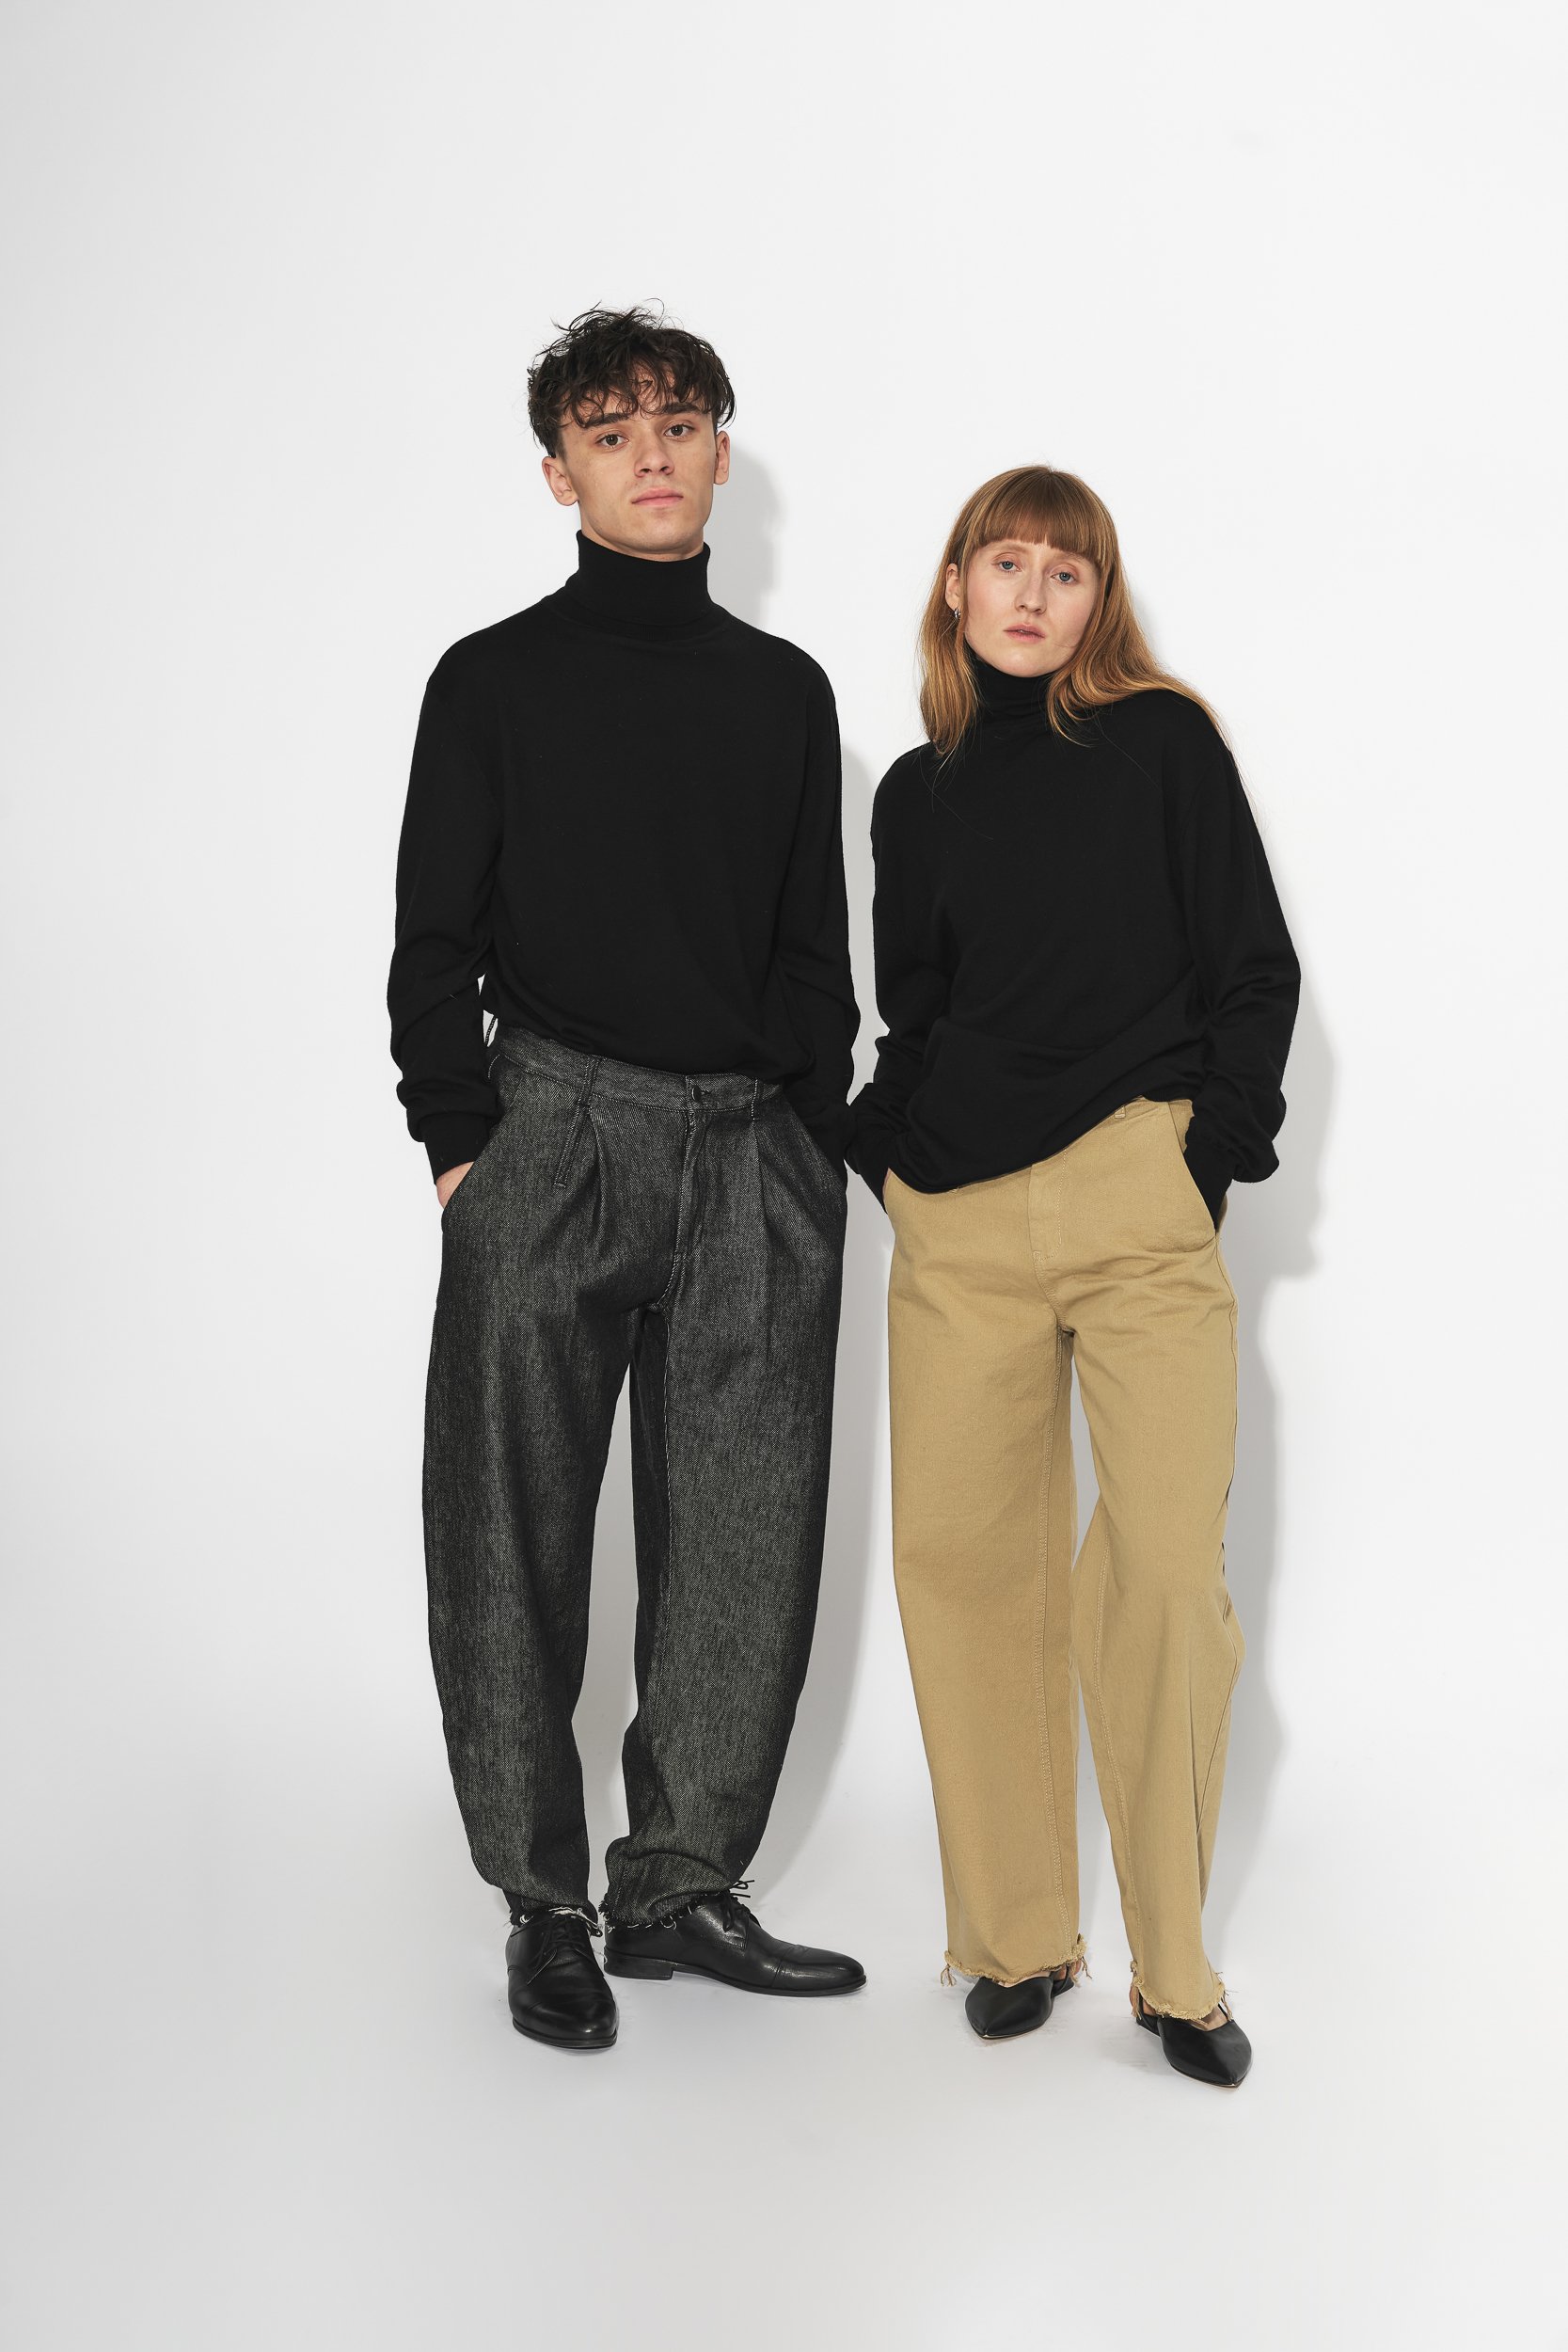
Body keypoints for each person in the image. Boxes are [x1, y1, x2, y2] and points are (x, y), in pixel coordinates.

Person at [388, 306, 865, 2051]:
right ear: (559, 475)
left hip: (754, 1145)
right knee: (508, 1529)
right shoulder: (490, 681)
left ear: (721, 452)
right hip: (555, 1129)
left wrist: (807, 1134)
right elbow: (431, 941)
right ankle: (543, 1905)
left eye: (676, 425)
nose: (649, 456)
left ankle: (675, 1885)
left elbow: (814, 952)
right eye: (610, 432)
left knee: (747, 1527)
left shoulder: (786, 693)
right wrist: (465, 1151)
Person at [848, 465, 1300, 2088]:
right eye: (1005, 562)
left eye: (1066, 569)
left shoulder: (1163, 744)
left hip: (1135, 1192)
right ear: (956, 586)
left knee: (1167, 1570)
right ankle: (1015, 1933)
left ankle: (1176, 1971)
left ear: (1099, 598)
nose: (1033, 593)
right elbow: (915, 1011)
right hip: (959, 1221)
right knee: (964, 1571)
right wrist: (886, 1154)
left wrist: (1201, 1157)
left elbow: (1253, 968)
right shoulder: (918, 795)